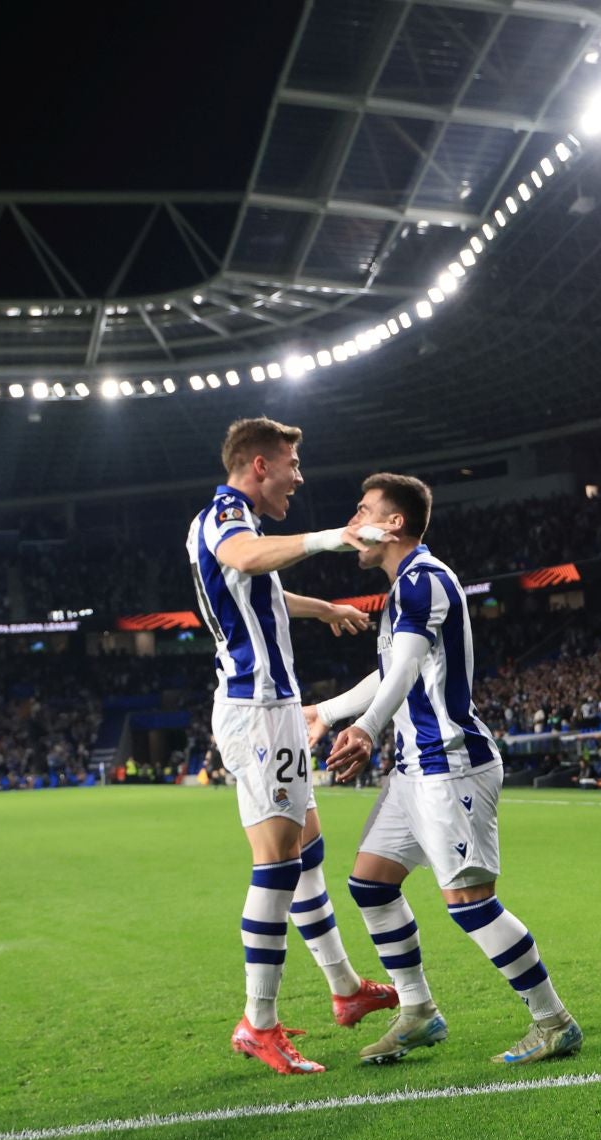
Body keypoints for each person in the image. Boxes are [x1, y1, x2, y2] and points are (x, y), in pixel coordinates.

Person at [312, 472, 582, 1067]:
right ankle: (419, 1013)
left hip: (450, 766)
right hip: (414, 770)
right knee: (370, 884)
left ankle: (553, 1021)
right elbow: (391, 673)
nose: (353, 523)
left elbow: (406, 667)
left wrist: (366, 728)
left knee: (470, 902)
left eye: (363, 511)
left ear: (394, 523)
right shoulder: (404, 587)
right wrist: (327, 713)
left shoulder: (425, 580)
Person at [185, 417, 394, 1076]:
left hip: (270, 708)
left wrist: (324, 610)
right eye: (292, 465)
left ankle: (343, 989)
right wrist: (337, 537)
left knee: (305, 847)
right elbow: (245, 559)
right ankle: (259, 1022)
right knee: (276, 862)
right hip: (256, 709)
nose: (299, 478)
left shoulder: (234, 520)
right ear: (257, 467)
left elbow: (264, 588)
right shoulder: (225, 516)